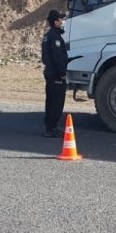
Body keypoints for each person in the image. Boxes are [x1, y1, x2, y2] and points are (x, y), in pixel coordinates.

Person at [41, 9, 69, 137]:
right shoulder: (55, 37)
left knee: (50, 100)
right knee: (57, 101)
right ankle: (52, 128)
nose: (62, 21)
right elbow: (58, 57)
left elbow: (45, 57)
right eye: (60, 19)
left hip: (49, 72)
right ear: (55, 21)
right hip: (55, 74)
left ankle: (49, 126)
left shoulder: (48, 36)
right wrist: (62, 73)